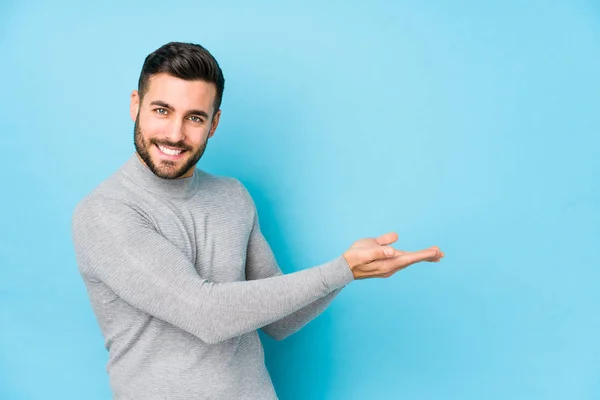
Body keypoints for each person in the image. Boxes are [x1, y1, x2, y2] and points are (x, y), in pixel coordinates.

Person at [71, 41, 445, 400]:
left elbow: (280, 321)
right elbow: (204, 314)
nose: (175, 133)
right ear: (136, 105)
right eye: (162, 110)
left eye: (194, 117)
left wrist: (354, 270)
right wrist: (339, 270)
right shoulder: (106, 212)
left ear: (214, 123)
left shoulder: (233, 196)